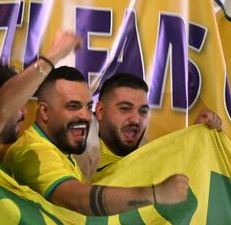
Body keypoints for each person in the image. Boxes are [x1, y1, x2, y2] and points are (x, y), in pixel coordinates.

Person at [3, 67, 189, 215]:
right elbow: (79, 201)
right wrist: (155, 194)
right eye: (73, 106)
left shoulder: (63, 150)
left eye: (87, 106)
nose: (85, 116)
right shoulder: (34, 152)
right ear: (44, 111)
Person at [0, 31, 81, 164]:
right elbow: (0, 108)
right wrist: (54, 55)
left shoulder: (1, 171)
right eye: (19, 104)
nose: (25, 111)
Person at [93, 73, 222, 175]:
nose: (136, 120)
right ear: (100, 111)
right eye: (125, 108)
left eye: (143, 111)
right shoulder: (77, 162)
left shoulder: (154, 158)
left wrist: (198, 136)